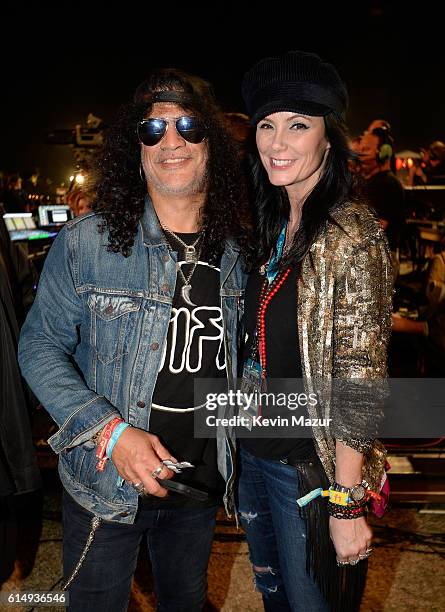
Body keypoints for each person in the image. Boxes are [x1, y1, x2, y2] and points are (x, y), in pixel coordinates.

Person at [18, 68, 247, 611]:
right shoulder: (88, 243)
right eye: (153, 130)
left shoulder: (240, 253)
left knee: (185, 602)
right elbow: (38, 347)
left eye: (188, 126)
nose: (172, 140)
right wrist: (112, 432)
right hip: (105, 488)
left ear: (211, 144)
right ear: (135, 150)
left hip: (199, 488)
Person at [238, 51, 393, 611]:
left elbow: (360, 376)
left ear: (329, 140)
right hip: (255, 457)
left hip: (310, 470)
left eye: (298, 125)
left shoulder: (351, 234)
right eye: (266, 125)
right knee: (274, 599)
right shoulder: (271, 224)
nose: (277, 142)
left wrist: (346, 504)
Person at [355, 123, 405, 278]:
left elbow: (376, 228)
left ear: (384, 153)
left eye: (366, 150)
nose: (361, 155)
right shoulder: (369, 182)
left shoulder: (387, 184)